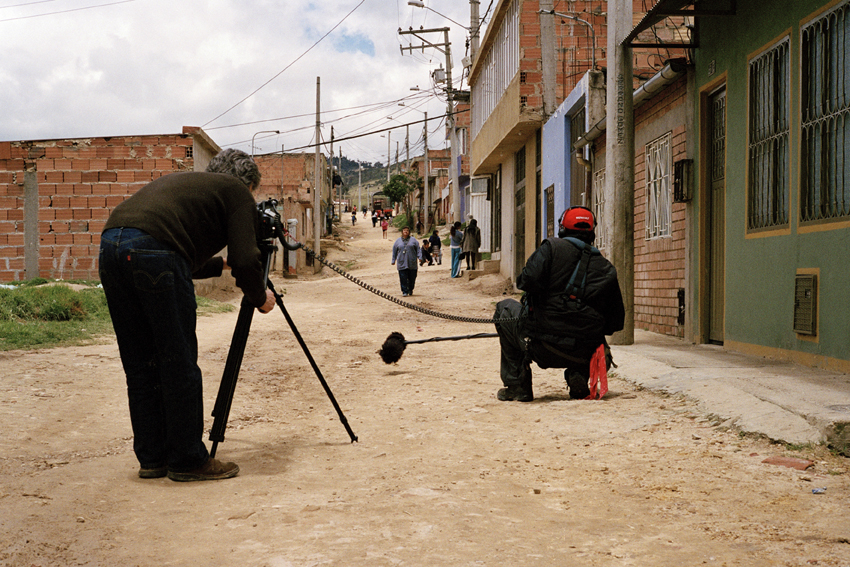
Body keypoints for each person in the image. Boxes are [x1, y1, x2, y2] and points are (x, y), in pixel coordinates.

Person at [98, 149, 277, 482]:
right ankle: (187, 460)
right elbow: (245, 257)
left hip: (111, 245)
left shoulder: (188, 186)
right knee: (177, 361)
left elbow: (168, 253)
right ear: (248, 183)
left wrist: (216, 265)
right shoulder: (236, 191)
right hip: (154, 250)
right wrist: (259, 297)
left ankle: (152, 459)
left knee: (140, 364)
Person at [493, 206, 625, 402]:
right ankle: (579, 375)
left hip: (541, 347)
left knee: (504, 309)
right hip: (583, 353)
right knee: (589, 334)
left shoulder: (551, 248)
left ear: (562, 229)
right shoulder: (607, 268)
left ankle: (517, 386)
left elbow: (525, 281)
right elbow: (615, 323)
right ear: (592, 234)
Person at [391, 226, 421, 296]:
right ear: (402, 232)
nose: (406, 232)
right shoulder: (397, 241)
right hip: (401, 262)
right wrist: (393, 260)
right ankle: (404, 291)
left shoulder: (414, 240)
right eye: (404, 230)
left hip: (412, 263)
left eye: (407, 230)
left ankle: (410, 289)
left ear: (409, 232)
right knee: (403, 278)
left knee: (412, 278)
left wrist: (420, 257)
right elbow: (394, 251)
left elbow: (418, 250)